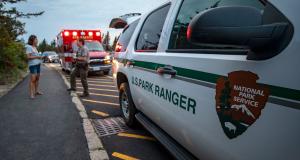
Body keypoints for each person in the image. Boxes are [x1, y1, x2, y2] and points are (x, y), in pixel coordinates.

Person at [25, 35, 43, 99]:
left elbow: (35, 55)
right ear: (32, 40)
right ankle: (31, 94)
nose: (37, 40)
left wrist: (39, 57)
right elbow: (28, 57)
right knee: (33, 79)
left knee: (37, 78)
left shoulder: (34, 47)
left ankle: (36, 91)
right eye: (36, 39)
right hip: (33, 65)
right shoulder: (29, 47)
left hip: (38, 64)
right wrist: (37, 57)